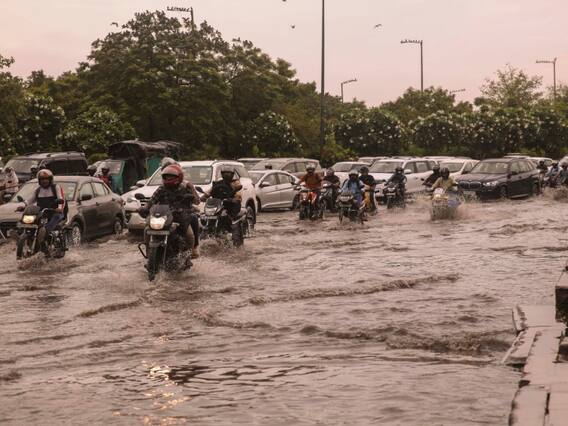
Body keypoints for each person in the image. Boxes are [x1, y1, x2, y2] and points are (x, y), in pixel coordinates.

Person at [143, 165, 196, 256]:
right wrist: (145, 208)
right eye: (166, 176)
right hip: (163, 217)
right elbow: (151, 201)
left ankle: (190, 254)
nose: (168, 178)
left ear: (179, 177)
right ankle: (148, 252)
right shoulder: (161, 189)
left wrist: (191, 194)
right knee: (147, 230)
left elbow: (195, 201)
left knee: (189, 235)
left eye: (171, 177)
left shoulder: (184, 189)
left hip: (179, 217)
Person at [25, 169, 67, 247]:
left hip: (55, 212)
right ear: (39, 181)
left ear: (50, 179)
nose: (44, 181)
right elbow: (30, 200)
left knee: (48, 227)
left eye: (46, 179)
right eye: (42, 179)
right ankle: (28, 238)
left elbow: (61, 199)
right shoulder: (38, 190)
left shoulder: (56, 187)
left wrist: (59, 208)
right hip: (42, 213)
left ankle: (48, 238)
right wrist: (23, 205)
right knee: (31, 223)